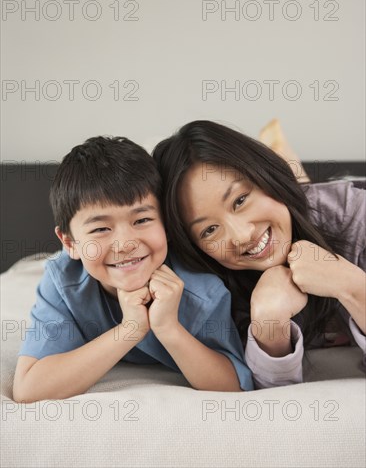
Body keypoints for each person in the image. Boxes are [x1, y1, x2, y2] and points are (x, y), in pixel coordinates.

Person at [13, 135, 253, 403]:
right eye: (101, 229)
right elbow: (28, 389)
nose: (125, 244)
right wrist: (129, 330)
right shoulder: (63, 282)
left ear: (167, 225)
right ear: (70, 243)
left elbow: (235, 386)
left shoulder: (202, 290)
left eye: (142, 219)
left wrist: (168, 327)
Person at [152, 120, 366, 388]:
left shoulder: (356, 215)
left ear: (268, 176)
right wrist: (268, 320)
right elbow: (269, 397)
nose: (242, 235)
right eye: (209, 230)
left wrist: (353, 287)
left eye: (240, 200)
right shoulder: (211, 290)